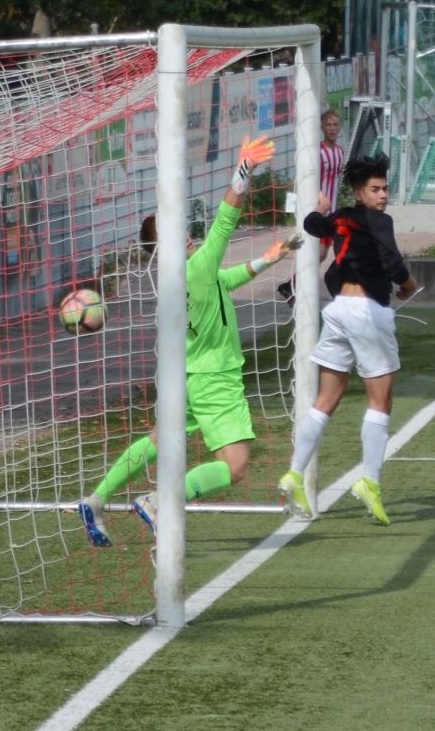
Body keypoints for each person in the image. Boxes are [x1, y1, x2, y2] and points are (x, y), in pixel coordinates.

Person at [77, 136, 307, 546]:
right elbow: (225, 220)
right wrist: (244, 169)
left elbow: (225, 281)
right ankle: (160, 501)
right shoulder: (197, 266)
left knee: (159, 439)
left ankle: (96, 499)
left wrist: (268, 258)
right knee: (235, 465)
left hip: (185, 376)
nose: (185, 234)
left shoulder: (176, 278)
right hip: (215, 377)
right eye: (174, 233)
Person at [277, 153, 417, 524]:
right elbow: (392, 261)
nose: (382, 195)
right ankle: (370, 481)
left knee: (326, 398)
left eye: (385, 188)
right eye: (375, 189)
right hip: (367, 312)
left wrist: (320, 208)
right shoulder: (379, 220)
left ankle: (295, 472)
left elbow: (313, 225)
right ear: (359, 192)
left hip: (338, 311)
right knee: (380, 400)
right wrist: (408, 283)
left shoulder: (340, 217)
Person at [278, 109, 344, 306]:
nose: (332, 128)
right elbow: (308, 177)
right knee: (318, 253)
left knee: (323, 254)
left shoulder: (340, 151)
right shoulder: (318, 151)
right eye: (328, 125)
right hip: (318, 211)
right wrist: (319, 198)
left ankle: (292, 286)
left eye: (335, 125)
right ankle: (294, 286)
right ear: (321, 127)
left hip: (332, 211)